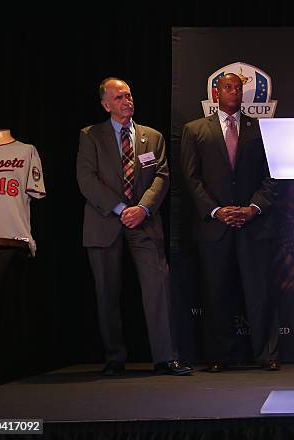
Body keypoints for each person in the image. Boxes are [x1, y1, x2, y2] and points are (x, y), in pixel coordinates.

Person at [77, 77, 191, 377]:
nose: (126, 101)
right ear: (105, 104)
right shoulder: (90, 135)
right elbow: (86, 179)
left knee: (158, 288)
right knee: (107, 291)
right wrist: (121, 209)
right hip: (104, 222)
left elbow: (162, 177)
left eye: (128, 95)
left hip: (145, 221)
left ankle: (166, 357)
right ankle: (114, 358)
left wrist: (142, 208)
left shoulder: (152, 136)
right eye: (118, 98)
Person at [180, 73, 278, 372]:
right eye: (228, 87)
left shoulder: (261, 130)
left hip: (254, 225)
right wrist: (216, 211)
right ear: (216, 92)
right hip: (214, 227)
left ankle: (267, 355)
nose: (234, 91)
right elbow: (190, 178)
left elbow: (272, 176)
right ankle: (219, 356)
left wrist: (253, 207)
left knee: (260, 293)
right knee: (216, 293)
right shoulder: (195, 129)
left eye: (238, 88)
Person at [0, 129, 46, 390]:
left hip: (12, 240)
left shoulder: (26, 151)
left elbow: (35, 192)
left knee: (2, 322)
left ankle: (4, 378)